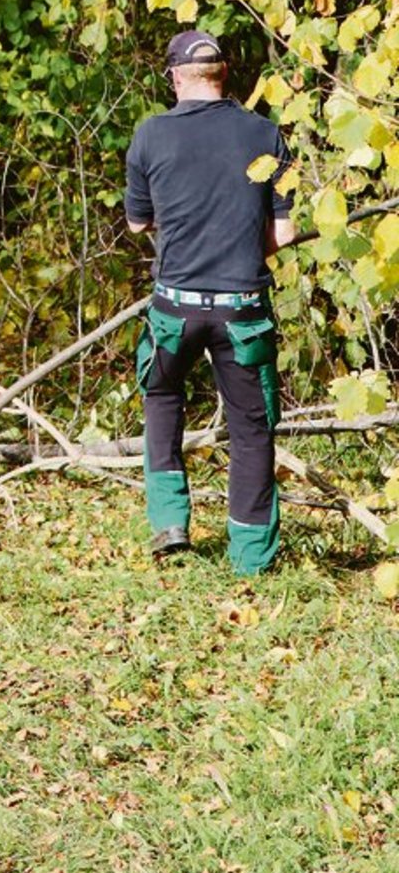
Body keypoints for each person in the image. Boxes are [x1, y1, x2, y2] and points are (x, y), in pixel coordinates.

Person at [124, 28, 297, 575]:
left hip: (175, 307)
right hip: (242, 309)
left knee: (162, 399)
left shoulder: (150, 135)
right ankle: (250, 558)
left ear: (176, 77)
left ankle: (170, 524)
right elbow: (285, 235)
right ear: (224, 76)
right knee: (250, 428)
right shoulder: (265, 133)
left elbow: (137, 221)